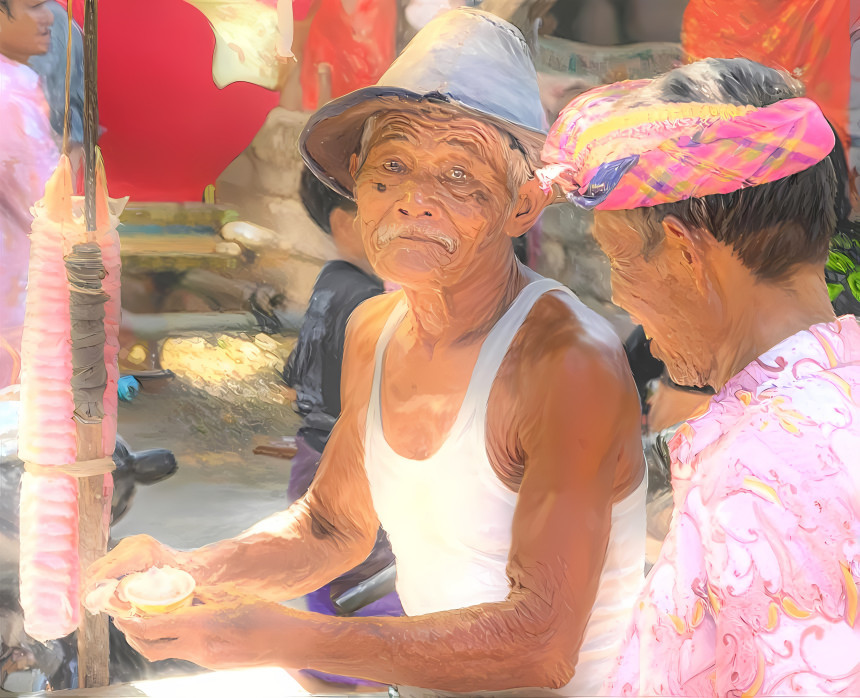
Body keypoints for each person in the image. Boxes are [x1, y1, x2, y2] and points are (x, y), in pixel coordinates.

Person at [86, 9, 646, 696]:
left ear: (524, 206)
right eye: (393, 167)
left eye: (459, 177)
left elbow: (541, 647)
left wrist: (284, 637)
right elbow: (331, 527)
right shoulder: (375, 328)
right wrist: (192, 570)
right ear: (356, 183)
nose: (414, 201)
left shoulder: (567, 362)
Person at [540, 57, 860, 695]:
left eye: (620, 260)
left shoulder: (763, 468)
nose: (619, 299)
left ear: (688, 256)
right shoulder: (833, 387)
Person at [282, 166, 402, 689]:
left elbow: (293, 379)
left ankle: (325, 675)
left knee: (322, 576)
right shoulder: (375, 303)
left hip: (310, 454)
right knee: (374, 591)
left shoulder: (332, 283)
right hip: (350, 467)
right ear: (345, 224)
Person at [0, 0, 57, 390]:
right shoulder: (11, 93)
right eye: (34, 5)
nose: (49, 16)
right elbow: (42, 202)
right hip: (13, 285)